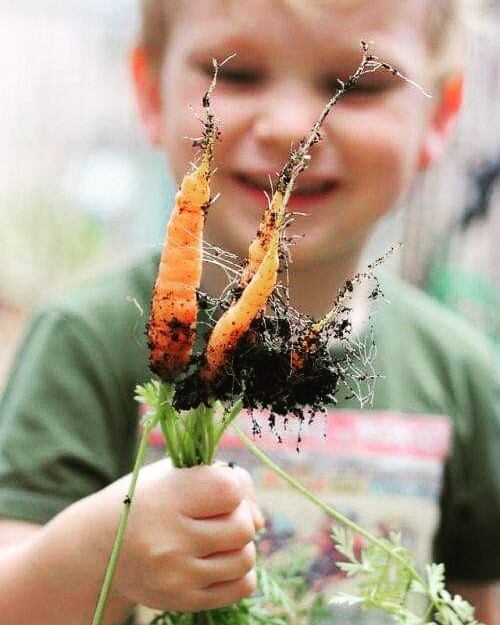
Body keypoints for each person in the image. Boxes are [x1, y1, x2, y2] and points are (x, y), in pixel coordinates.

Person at [0, 1, 499, 624]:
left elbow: (475, 608)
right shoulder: (85, 342)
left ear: (441, 115)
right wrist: (99, 551)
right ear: (149, 92)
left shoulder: (464, 373)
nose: (292, 127)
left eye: (361, 84)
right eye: (233, 76)